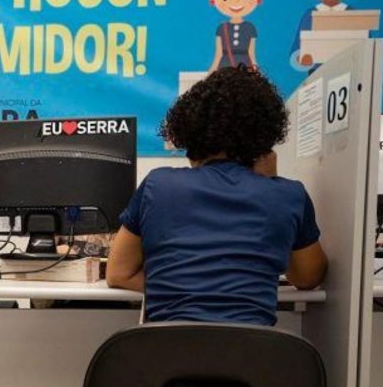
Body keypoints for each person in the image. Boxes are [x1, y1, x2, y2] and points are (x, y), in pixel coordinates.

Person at [106, 67, 327, 326]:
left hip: (167, 348)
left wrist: (181, 293)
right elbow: (307, 277)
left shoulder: (157, 185)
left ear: (189, 133)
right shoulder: (288, 195)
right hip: (254, 349)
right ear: (265, 138)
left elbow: (118, 273)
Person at [208, 0, 264, 72]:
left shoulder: (250, 28)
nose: (236, 1)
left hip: (245, 67)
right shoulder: (221, 29)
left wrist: (257, 73)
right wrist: (209, 74)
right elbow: (218, 55)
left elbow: (252, 54)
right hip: (224, 68)